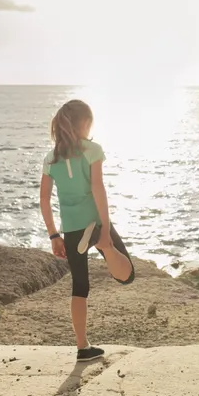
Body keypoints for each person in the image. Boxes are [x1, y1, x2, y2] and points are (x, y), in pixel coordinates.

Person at [40, 99, 135, 362]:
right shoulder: (92, 150)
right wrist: (104, 228)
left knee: (80, 286)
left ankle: (82, 347)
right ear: (84, 123)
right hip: (94, 221)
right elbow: (97, 188)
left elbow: (44, 200)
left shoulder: (51, 158)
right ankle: (102, 244)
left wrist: (53, 235)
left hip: (70, 228)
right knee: (126, 275)